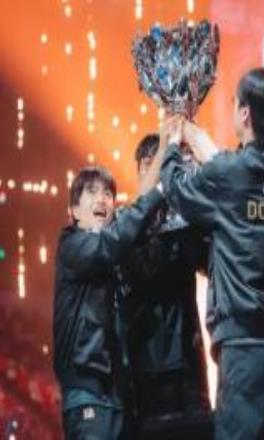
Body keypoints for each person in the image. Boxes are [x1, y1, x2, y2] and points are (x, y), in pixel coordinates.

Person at [159, 67, 264, 439]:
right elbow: (235, 173)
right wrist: (198, 137)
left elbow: (177, 190)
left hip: (244, 344)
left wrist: (172, 144)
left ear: (244, 113)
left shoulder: (231, 172)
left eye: (235, 103)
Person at [53, 150, 165, 439]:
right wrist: (160, 192)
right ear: (74, 210)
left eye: (108, 193)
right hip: (88, 394)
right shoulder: (73, 246)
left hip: (118, 396)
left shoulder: (115, 256)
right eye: (91, 192)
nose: (102, 199)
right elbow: (114, 239)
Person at [120, 134, 212, 439]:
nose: (155, 172)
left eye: (161, 164)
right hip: (146, 364)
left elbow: (208, 262)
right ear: (138, 171)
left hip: (187, 356)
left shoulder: (185, 220)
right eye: (149, 164)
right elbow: (141, 272)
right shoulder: (125, 225)